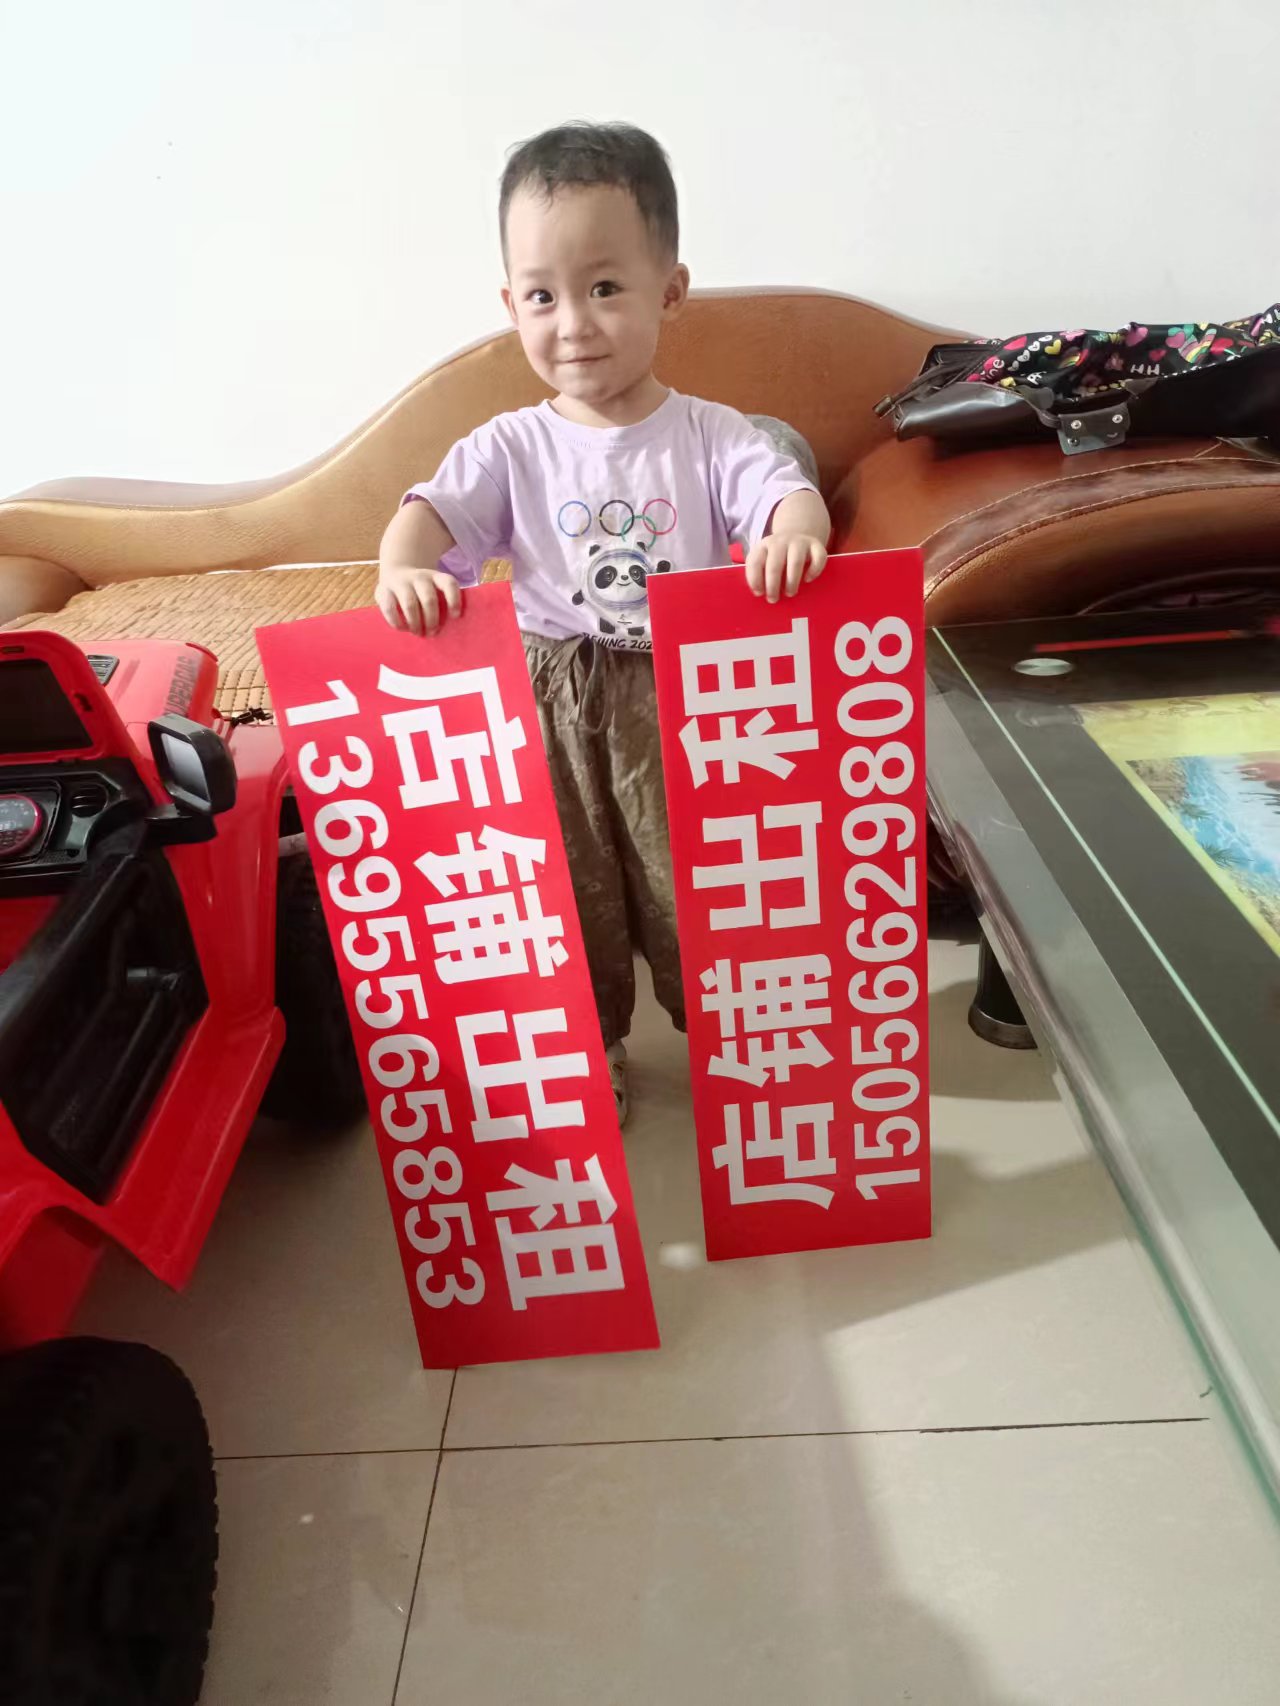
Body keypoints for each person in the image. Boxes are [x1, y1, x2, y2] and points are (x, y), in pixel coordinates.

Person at [375, 122, 831, 1122]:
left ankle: (735, 1038)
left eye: (605, 287)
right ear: (510, 305)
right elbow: (431, 516)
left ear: (670, 289)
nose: (573, 323)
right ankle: (591, 1046)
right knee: (563, 883)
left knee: (694, 880)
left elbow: (784, 493)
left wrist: (791, 533)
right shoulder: (508, 446)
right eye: (542, 295)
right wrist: (402, 565)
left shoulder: (711, 433)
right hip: (551, 694)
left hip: (682, 696)